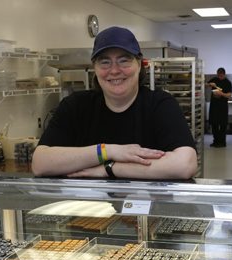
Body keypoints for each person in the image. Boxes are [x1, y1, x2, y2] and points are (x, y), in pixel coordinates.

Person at [32, 26, 197, 179]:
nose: (114, 70)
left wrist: (109, 168)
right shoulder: (75, 106)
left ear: (139, 64)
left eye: (124, 60)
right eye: (105, 62)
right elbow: (40, 163)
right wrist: (107, 151)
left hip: (145, 207)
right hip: (88, 208)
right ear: (95, 68)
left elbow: (186, 164)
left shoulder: (160, 105)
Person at [207, 67, 232, 147]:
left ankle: (222, 142)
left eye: (221, 76)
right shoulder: (214, 79)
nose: (219, 77)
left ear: (224, 74)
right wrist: (210, 84)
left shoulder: (228, 82)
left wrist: (222, 94)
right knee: (214, 124)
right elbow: (204, 85)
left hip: (223, 107)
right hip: (214, 106)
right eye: (218, 75)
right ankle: (216, 141)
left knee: (222, 125)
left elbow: (229, 95)